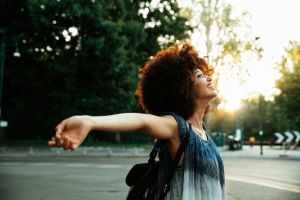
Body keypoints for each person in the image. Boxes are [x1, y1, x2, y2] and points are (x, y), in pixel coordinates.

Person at [48, 43, 225, 200]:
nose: (209, 77)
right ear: (183, 87)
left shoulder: (203, 133)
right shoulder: (177, 128)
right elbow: (142, 121)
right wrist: (90, 121)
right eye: (200, 75)